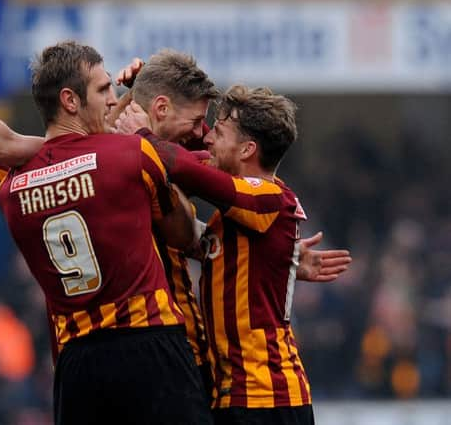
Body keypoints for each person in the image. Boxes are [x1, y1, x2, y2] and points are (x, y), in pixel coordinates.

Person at [0, 31, 213, 425]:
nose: (114, 98)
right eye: (104, 90)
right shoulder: (134, 152)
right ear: (70, 100)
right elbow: (191, 217)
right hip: (157, 345)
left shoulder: (16, 183)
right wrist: (146, 127)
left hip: (78, 360)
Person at [115, 87, 322, 424]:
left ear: (247, 149)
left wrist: (142, 135)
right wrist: (139, 90)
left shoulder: (269, 198)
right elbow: (197, 161)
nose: (207, 139)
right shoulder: (234, 214)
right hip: (231, 394)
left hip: (267, 397)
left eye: (218, 132)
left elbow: (190, 170)